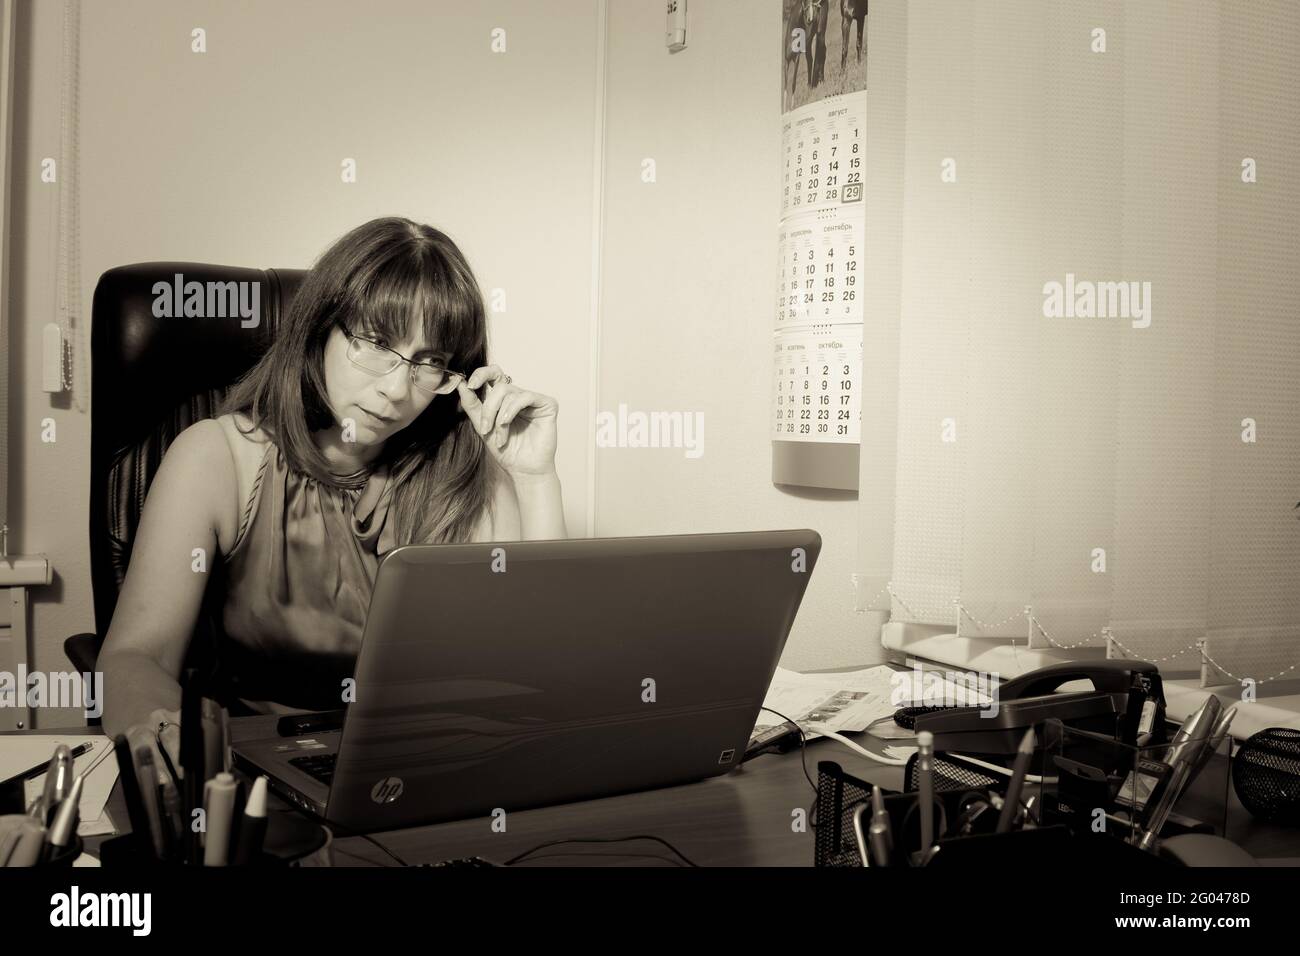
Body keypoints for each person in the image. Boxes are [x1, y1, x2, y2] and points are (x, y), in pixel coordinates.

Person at [98, 217, 565, 765]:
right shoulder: (218, 457)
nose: (396, 388)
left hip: (418, 768)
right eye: (375, 343)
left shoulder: (463, 482)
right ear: (320, 328)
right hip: (254, 775)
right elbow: (134, 656)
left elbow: (538, 673)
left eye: (429, 361)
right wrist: (177, 742)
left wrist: (534, 478)